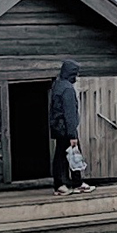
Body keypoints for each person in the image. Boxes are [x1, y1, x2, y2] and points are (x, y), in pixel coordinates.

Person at [47, 58, 94, 196]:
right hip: (66, 129)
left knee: (62, 156)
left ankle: (63, 184)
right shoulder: (67, 89)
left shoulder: (57, 85)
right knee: (72, 155)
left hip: (59, 127)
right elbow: (70, 114)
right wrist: (72, 135)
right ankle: (73, 183)